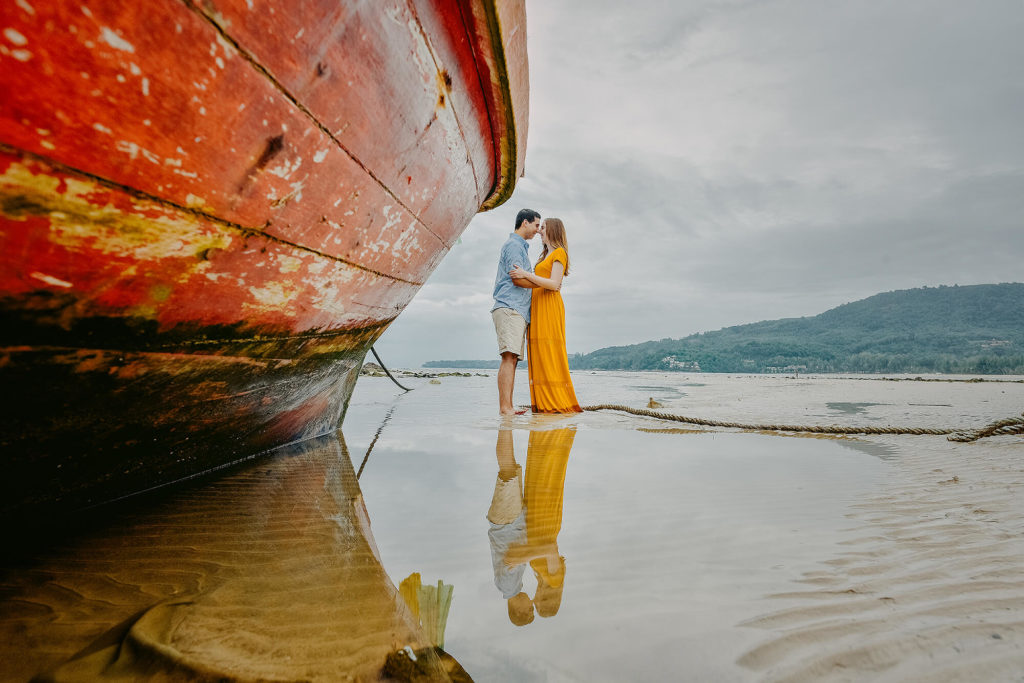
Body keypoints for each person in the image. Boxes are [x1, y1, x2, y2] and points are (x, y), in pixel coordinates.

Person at [509, 218, 582, 413]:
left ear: (553, 230)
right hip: (538, 307)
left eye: (543, 228)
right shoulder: (544, 256)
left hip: (549, 307)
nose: (540, 231)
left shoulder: (559, 253)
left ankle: (557, 402)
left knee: (550, 353)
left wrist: (526, 274)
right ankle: (543, 403)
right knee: (539, 354)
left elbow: (554, 284)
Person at [492, 208, 541, 415]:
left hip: (516, 309)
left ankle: (508, 406)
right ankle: (505, 408)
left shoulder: (520, 247)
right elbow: (517, 279)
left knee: (512, 359)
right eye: (536, 225)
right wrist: (544, 285)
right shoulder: (514, 245)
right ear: (525, 223)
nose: (538, 231)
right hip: (509, 306)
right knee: (508, 357)